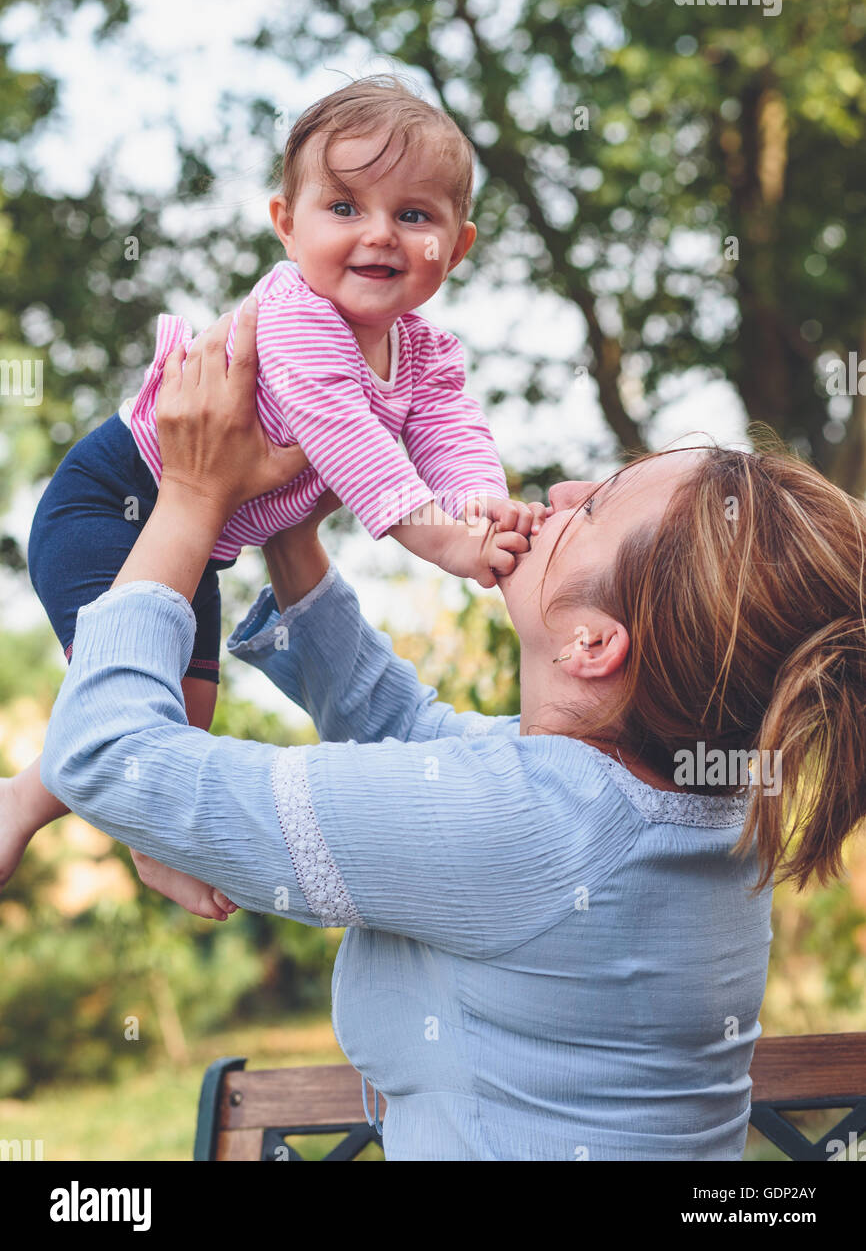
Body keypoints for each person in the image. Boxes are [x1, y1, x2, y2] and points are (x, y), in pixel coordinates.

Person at [39, 304, 866, 1160]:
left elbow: (106, 758)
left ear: (592, 643)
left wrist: (188, 497)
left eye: (594, 512)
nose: (561, 494)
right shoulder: (690, 799)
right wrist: (290, 526)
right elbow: (413, 735)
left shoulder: (533, 827)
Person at [1, 75, 548, 918]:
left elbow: (450, 430)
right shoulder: (294, 315)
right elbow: (354, 448)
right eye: (344, 207)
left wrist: (477, 502)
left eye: (413, 215)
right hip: (113, 506)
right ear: (285, 225)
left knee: (190, 710)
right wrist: (446, 542)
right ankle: (59, 818)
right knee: (134, 694)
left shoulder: (424, 350)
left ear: (456, 247)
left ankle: (125, 830)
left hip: (202, 533)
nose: (379, 234)